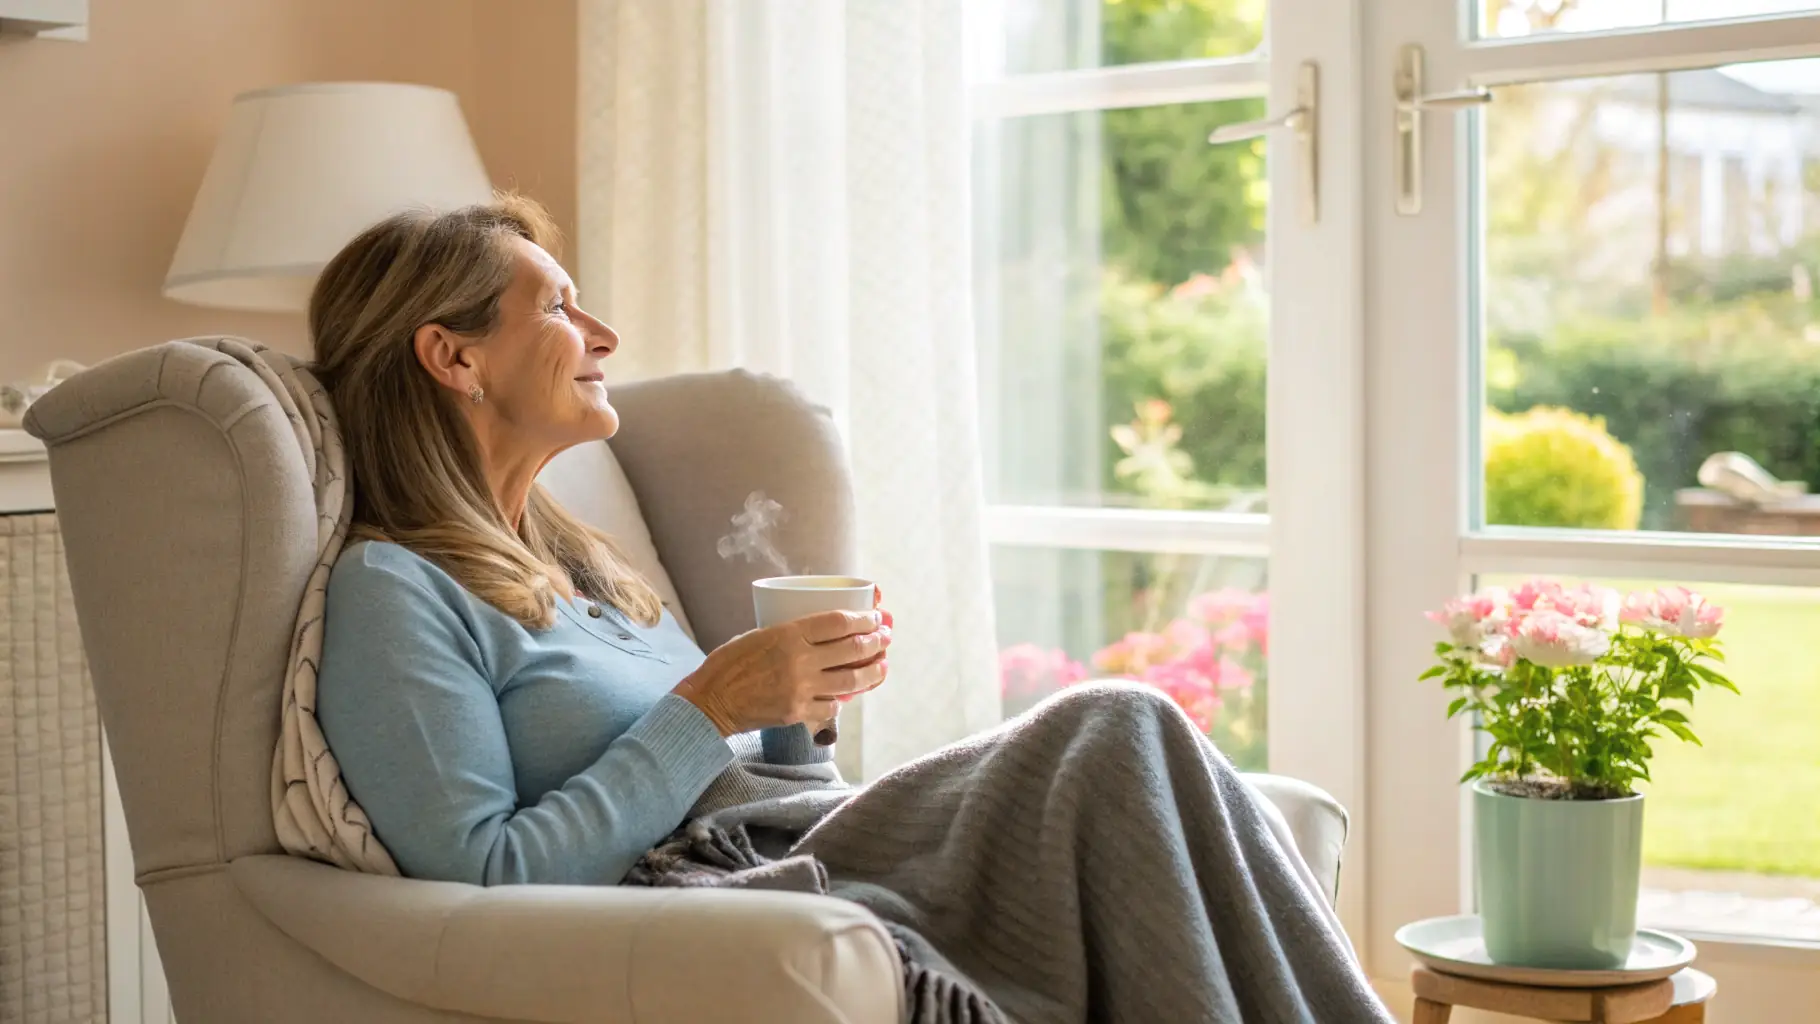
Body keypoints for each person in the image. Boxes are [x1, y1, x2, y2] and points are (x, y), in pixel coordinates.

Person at [312, 195, 1392, 1023]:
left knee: (1129, 743)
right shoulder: (394, 588)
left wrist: (793, 715)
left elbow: (752, 781)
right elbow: (483, 876)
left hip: (795, 833)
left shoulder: (584, 563)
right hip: (710, 886)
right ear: (452, 355)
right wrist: (705, 702)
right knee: (1115, 724)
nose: (600, 333)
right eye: (555, 306)